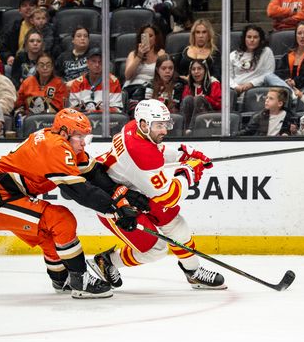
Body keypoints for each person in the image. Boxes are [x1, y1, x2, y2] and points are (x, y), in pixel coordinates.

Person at [0, 108, 143, 298]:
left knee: (49, 231)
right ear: (64, 132)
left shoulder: (66, 144)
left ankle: (60, 278)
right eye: (79, 136)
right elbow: (79, 191)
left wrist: (123, 197)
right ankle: (81, 280)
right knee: (61, 219)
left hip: (8, 195)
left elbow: (94, 173)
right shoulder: (54, 147)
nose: (83, 142)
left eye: (85, 136)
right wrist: (115, 210)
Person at [88, 99, 225, 291]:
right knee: (156, 249)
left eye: (165, 124)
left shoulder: (133, 127)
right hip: (114, 203)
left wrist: (183, 154)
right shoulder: (141, 154)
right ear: (144, 124)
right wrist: (188, 174)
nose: (164, 130)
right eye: (159, 125)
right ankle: (107, 260)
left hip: (131, 190)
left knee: (174, 222)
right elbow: (168, 197)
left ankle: (193, 272)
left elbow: (156, 150)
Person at [123, 23, 167, 114]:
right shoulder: (133, 54)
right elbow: (127, 76)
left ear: (156, 38)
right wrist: (139, 56)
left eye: (151, 36)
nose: (148, 39)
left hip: (151, 89)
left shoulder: (161, 54)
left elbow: (164, 76)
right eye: (145, 36)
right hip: (132, 89)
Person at [69, 47, 124, 113]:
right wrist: (79, 109)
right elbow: (72, 111)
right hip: (82, 120)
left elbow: (117, 110)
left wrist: (97, 111)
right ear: (87, 63)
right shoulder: (77, 83)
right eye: (93, 61)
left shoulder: (113, 82)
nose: (97, 65)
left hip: (104, 121)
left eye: (100, 62)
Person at [14, 52, 68, 119]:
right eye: (41, 65)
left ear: (52, 67)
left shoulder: (59, 84)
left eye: (48, 65)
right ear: (36, 67)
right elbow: (19, 102)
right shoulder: (27, 82)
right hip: (29, 119)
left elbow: (60, 107)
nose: (45, 68)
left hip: (51, 119)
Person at [229, 24, 277, 96]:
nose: (252, 40)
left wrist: (252, 84)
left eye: (255, 37)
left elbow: (269, 74)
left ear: (260, 39)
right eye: (249, 37)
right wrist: (235, 86)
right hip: (236, 91)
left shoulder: (266, 52)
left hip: (257, 89)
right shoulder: (233, 55)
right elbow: (228, 77)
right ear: (244, 38)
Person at [180, 58, 221, 135]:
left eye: (199, 69)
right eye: (193, 69)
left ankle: (191, 130)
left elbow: (219, 105)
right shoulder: (188, 86)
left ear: (205, 70)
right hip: (190, 120)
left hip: (211, 116)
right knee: (188, 99)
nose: (196, 72)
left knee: (199, 99)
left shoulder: (214, 83)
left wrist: (204, 98)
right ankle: (185, 130)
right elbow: (184, 107)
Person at [0, 0, 38, 65]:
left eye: (31, 5)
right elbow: (3, 49)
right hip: (17, 63)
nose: (28, 8)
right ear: (19, 10)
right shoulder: (11, 28)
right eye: (24, 5)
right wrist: (8, 57)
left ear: (37, 8)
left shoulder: (45, 27)